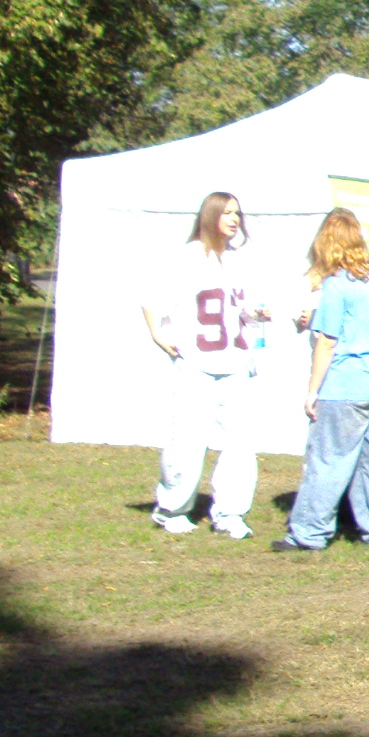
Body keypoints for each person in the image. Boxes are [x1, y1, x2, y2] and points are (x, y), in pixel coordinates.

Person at [140, 190, 277, 539]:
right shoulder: (187, 257)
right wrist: (158, 334)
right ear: (211, 215)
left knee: (240, 442)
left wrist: (257, 313)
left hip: (236, 361)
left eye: (237, 213)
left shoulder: (240, 260)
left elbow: (242, 307)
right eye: (227, 212)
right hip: (196, 362)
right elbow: (151, 298)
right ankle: (172, 508)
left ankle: (230, 512)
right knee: (187, 439)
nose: (234, 219)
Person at [279, 208, 369, 552]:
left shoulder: (336, 285)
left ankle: (309, 532)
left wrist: (312, 391)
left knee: (329, 461)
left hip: (346, 385)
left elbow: (327, 341)